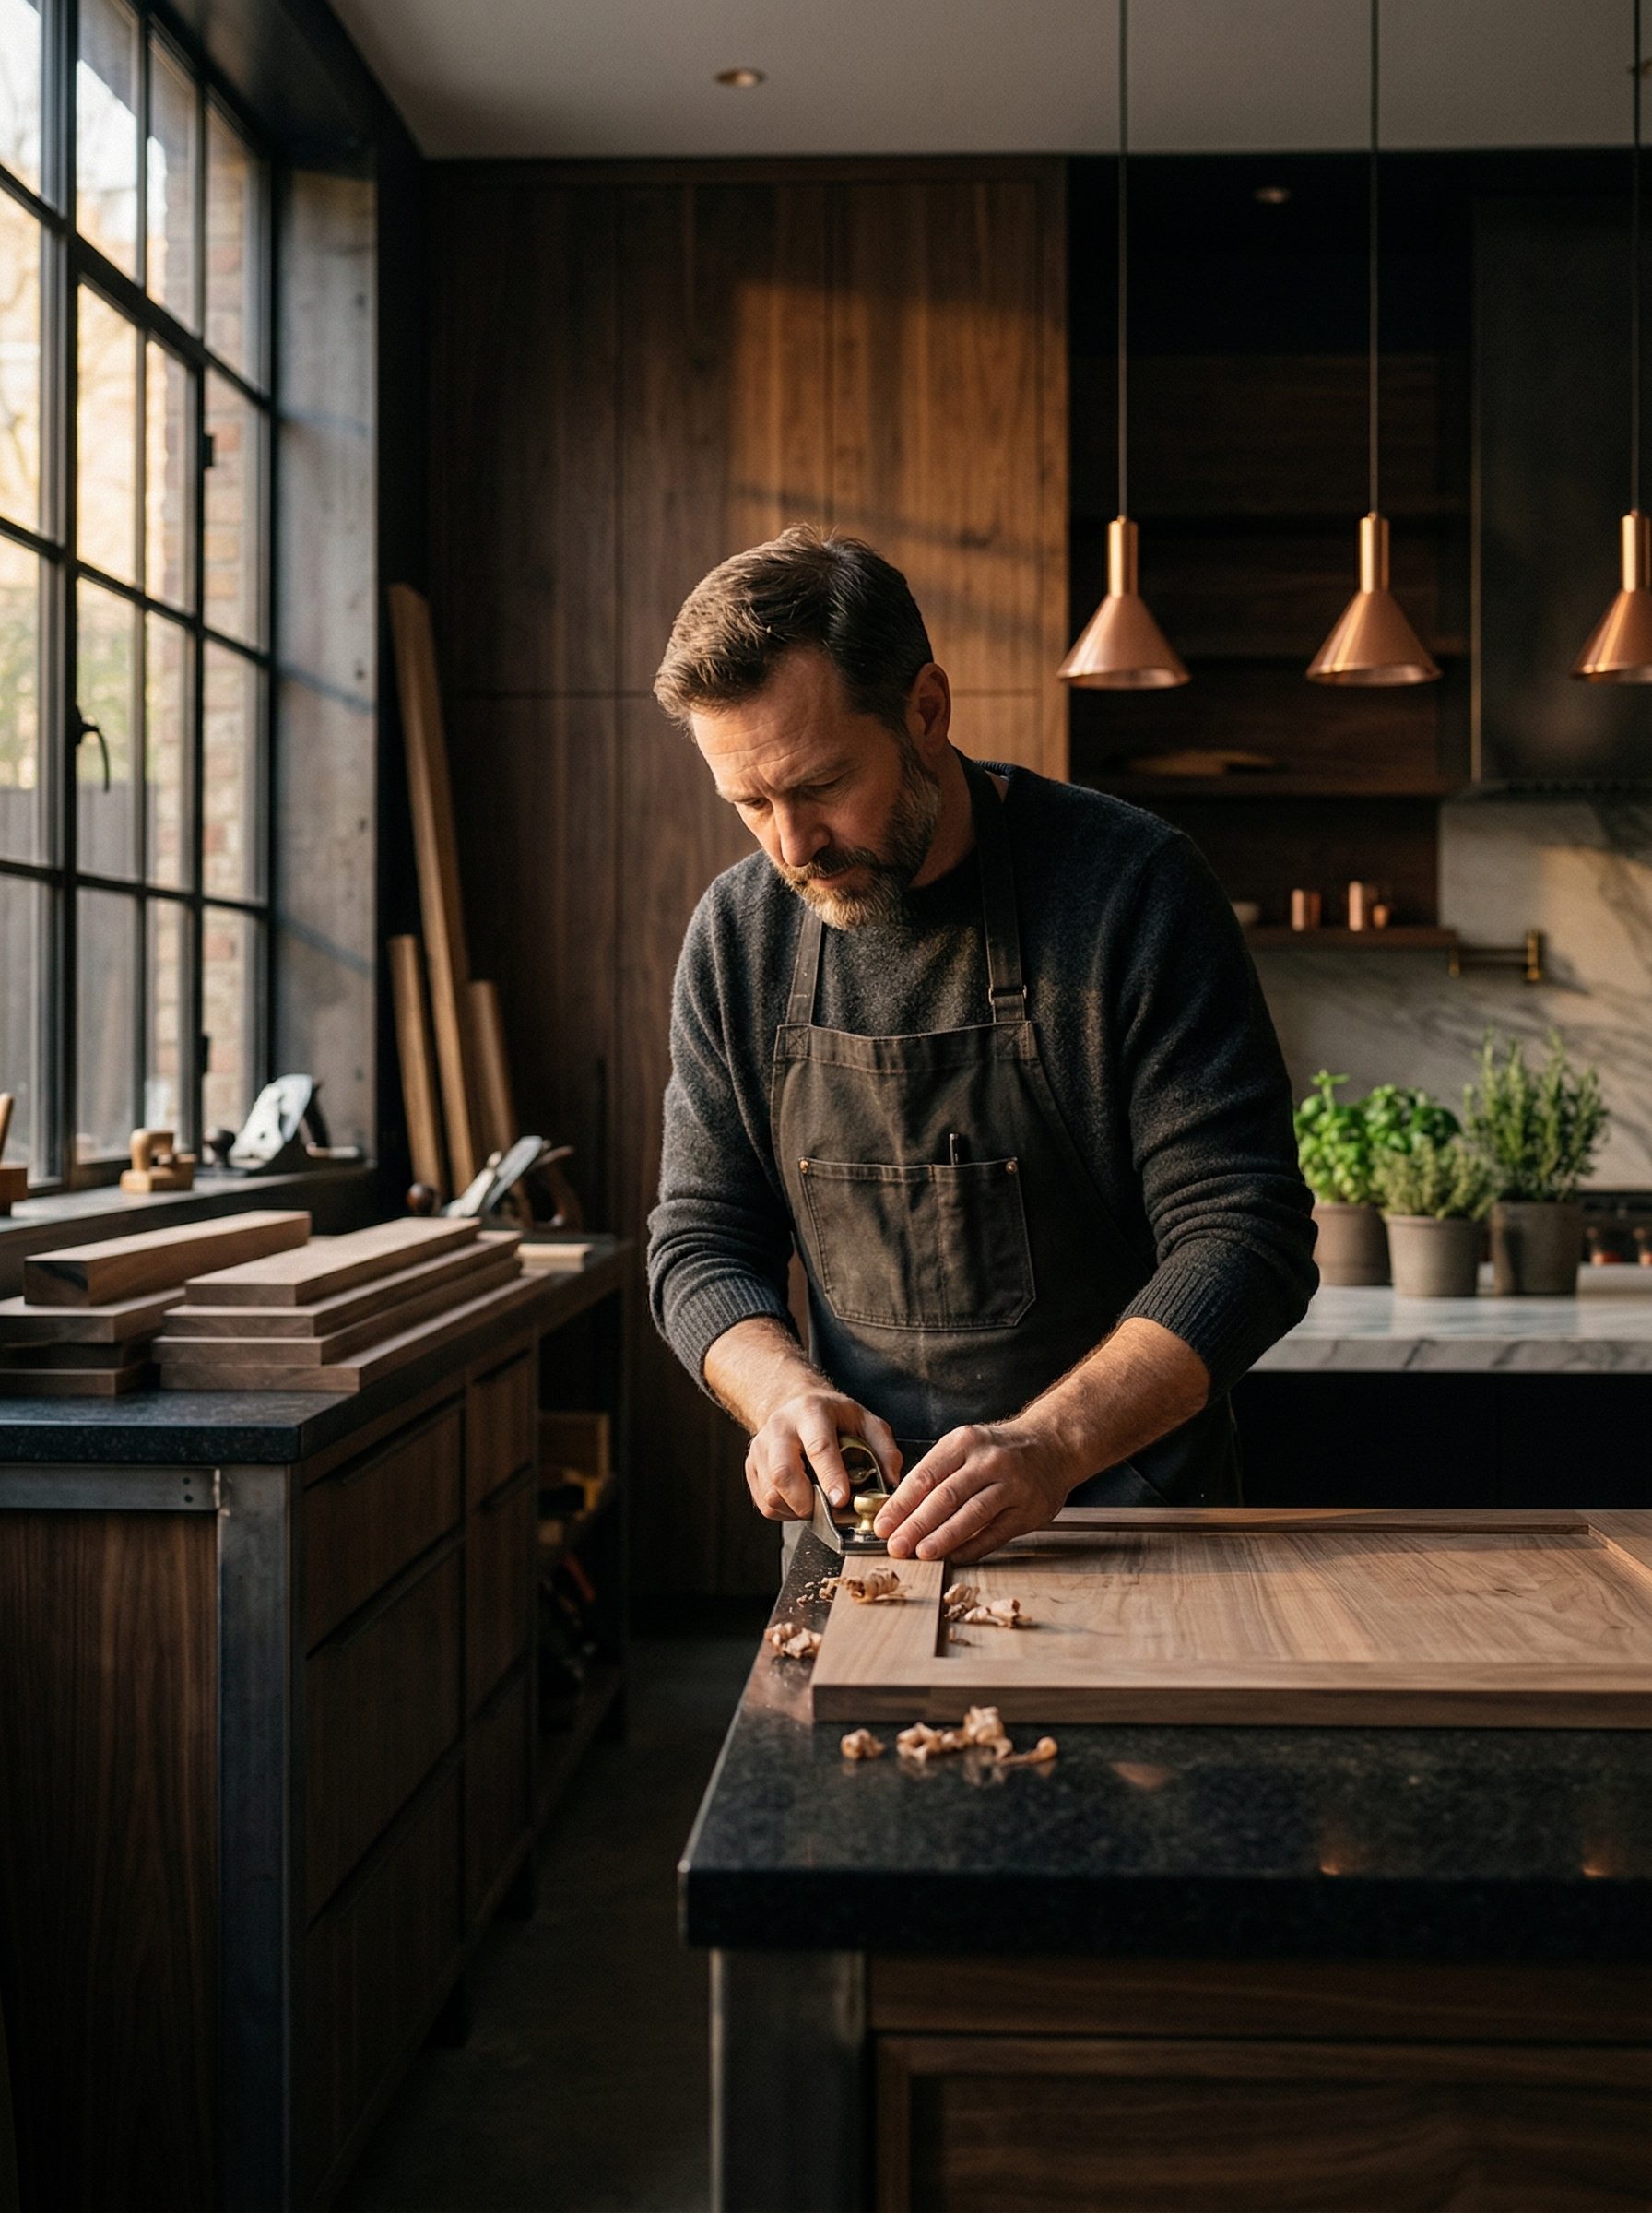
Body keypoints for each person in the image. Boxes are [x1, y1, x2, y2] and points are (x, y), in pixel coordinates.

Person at [645, 527, 1316, 1568]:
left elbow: (1246, 1236)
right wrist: (780, 1392)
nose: (790, 846)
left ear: (925, 712)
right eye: (750, 803)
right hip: (872, 1550)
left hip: (1138, 1527)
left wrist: (1052, 1445)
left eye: (820, 786)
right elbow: (699, 1243)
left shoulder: (1133, 892)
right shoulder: (740, 935)